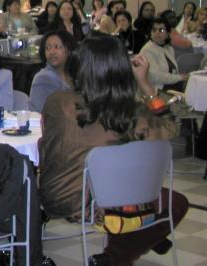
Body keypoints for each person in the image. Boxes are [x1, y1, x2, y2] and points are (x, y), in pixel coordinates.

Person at [38, 36, 189, 265]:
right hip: (108, 203)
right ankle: (116, 257)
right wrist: (146, 85)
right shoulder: (131, 112)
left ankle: (140, 238)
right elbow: (169, 128)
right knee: (176, 202)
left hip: (55, 195)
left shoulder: (57, 102)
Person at [29, 30, 75, 112]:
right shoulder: (43, 79)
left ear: (69, 50)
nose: (52, 52)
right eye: (48, 48)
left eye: (57, 47)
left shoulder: (74, 74)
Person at [139, 17, 188, 91]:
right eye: (154, 30)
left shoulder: (168, 48)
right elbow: (156, 77)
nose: (157, 32)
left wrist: (181, 78)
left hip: (170, 83)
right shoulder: (147, 50)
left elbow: (174, 71)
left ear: (168, 34)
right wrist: (180, 78)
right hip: (157, 88)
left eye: (161, 30)